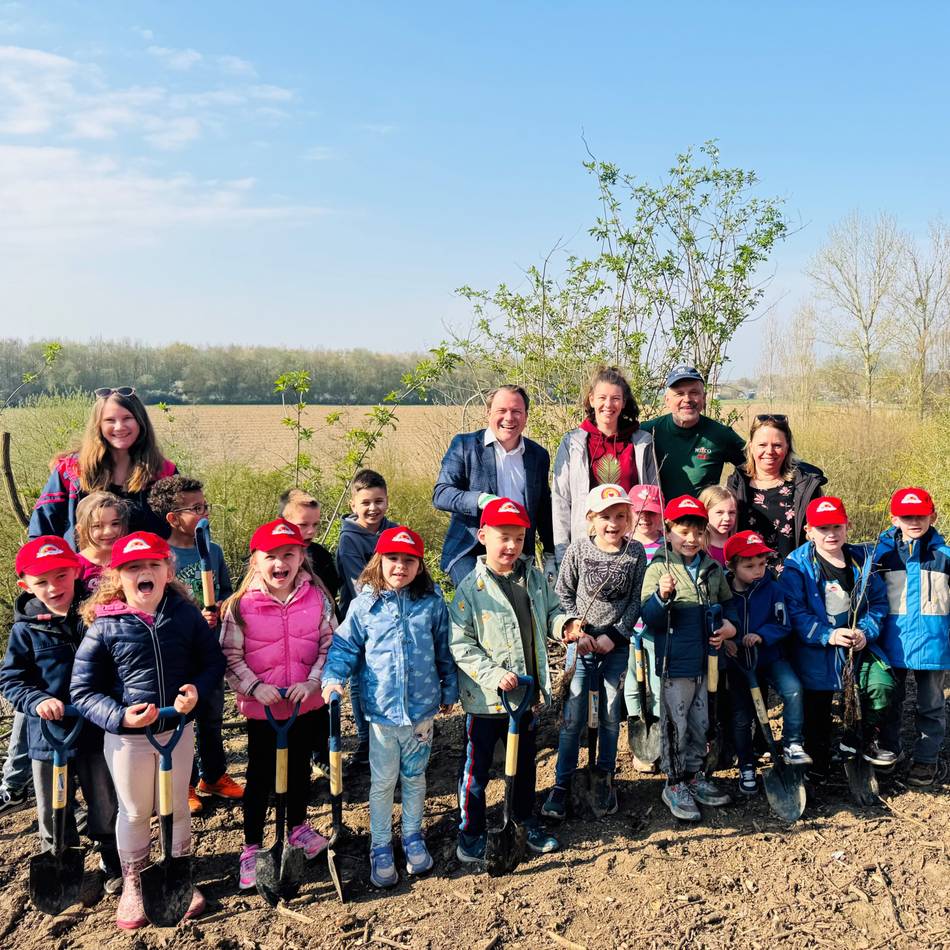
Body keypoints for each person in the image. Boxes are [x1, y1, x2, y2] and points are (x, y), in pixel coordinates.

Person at [70, 531, 225, 930]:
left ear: (168, 570)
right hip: (128, 740)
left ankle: (178, 875)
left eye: (154, 565)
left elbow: (212, 663)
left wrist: (195, 690)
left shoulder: (184, 615)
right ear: (117, 576)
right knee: (136, 811)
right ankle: (134, 884)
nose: (145, 572)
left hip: (177, 731)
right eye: (134, 567)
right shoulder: (104, 626)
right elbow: (83, 690)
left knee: (174, 808)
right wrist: (120, 716)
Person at [322, 526, 458, 887]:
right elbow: (345, 647)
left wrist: (449, 688)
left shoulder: (431, 602)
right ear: (378, 561)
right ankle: (380, 844)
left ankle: (413, 835)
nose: (400, 567)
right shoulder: (364, 605)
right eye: (393, 559)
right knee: (382, 782)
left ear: (420, 565)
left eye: (409, 560)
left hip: (421, 713)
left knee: (415, 777)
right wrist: (332, 678)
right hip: (382, 714)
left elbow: (444, 649)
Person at [450, 498, 570, 862]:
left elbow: (552, 611)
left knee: (525, 762)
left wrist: (565, 625)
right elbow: (461, 643)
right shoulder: (471, 589)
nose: (511, 547)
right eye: (503, 537)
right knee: (477, 768)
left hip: (524, 696)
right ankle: (469, 832)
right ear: (483, 536)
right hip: (486, 701)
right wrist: (494, 675)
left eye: (518, 539)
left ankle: (522, 820)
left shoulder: (533, 578)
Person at [220, 518, 334, 893]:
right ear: (255, 561)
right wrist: (254, 687)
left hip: (305, 703)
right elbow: (230, 656)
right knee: (259, 778)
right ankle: (252, 846)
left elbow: (329, 645)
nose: (280, 563)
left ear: (302, 556)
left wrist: (313, 681)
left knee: (300, 770)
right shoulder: (240, 606)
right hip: (264, 710)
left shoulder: (317, 597)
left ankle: (298, 827)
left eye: (289, 554)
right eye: (271, 556)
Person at [0, 537, 121, 891]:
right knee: (54, 805)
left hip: (95, 727)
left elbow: (116, 663)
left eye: (61, 576)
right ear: (26, 586)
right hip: (48, 733)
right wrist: (36, 699)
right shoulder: (25, 629)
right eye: (42, 581)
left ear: (76, 572)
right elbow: (12, 678)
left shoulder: (97, 614)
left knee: (103, 797)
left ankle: (110, 856)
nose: (54, 587)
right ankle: (59, 858)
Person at [541, 485, 647, 820]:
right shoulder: (578, 550)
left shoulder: (636, 553)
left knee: (611, 712)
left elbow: (636, 601)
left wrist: (615, 635)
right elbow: (563, 594)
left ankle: (604, 775)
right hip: (582, 646)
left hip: (614, 647)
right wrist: (577, 630)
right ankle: (563, 781)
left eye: (620, 516)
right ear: (591, 519)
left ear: (629, 518)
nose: (613, 523)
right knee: (574, 713)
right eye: (605, 517)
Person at [780, 497, 895, 782]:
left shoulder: (862, 561)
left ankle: (862, 739)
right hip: (816, 650)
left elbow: (878, 603)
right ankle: (818, 765)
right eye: (822, 528)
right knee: (816, 710)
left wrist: (864, 632)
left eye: (837, 526)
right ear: (808, 530)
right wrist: (826, 634)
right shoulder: (797, 566)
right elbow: (795, 610)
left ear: (848, 526)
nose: (830, 534)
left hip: (856, 646)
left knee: (880, 685)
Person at [640, 495, 738, 822]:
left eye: (698, 532)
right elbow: (650, 617)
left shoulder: (712, 569)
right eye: (683, 531)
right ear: (668, 532)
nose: (691, 539)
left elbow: (730, 606)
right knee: (675, 724)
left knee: (702, 722)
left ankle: (696, 775)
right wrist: (661, 597)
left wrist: (728, 626)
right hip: (675, 664)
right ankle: (675, 781)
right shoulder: (658, 568)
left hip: (707, 663)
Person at [148, 475, 242, 815]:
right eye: (196, 508)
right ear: (173, 517)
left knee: (212, 717)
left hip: (210, 651)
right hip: (177, 653)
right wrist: (191, 617)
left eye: (206, 506)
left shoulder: (212, 551)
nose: (205, 513)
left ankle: (213, 775)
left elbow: (229, 592)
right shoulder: (161, 556)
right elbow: (154, 604)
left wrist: (222, 607)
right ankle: (184, 782)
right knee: (182, 720)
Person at [434, 385, 555, 585]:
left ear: (525, 416)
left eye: (516, 411)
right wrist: (482, 499)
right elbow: (442, 494)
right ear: (488, 413)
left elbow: (543, 507)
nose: (509, 418)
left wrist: (551, 553)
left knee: (524, 610)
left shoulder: (538, 455)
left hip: (516, 549)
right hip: (470, 549)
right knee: (483, 601)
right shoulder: (465, 445)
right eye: (502, 411)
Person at [722, 531, 812, 797]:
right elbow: (716, 620)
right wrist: (731, 640)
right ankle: (747, 765)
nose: (758, 571)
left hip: (770, 656)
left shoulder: (774, 589)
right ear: (732, 566)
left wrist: (762, 635)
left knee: (793, 688)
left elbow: (783, 623)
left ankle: (792, 743)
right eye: (749, 566)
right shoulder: (724, 592)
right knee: (741, 717)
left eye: (762, 564)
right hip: (739, 663)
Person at [29, 386, 177, 547]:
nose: (119, 426)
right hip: (83, 571)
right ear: (98, 425)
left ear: (140, 421)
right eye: (110, 420)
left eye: (127, 418)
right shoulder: (71, 471)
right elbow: (42, 532)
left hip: (147, 569)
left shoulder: (164, 472)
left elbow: (185, 529)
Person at [876, 488, 950, 787]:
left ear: (932, 515)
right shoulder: (882, 556)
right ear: (894, 519)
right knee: (890, 703)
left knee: (931, 704)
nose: (914, 521)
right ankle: (890, 751)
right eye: (907, 516)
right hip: (893, 642)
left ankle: (927, 759)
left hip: (934, 643)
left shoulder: (944, 557)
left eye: (920, 515)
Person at [552, 366, 658, 568]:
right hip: (588, 544)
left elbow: (653, 497)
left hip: (632, 545)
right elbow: (561, 501)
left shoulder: (642, 443)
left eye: (615, 398)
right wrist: (562, 555)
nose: (608, 404)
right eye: (602, 397)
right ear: (591, 399)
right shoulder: (573, 443)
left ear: (624, 402)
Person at [337, 468, 395, 769]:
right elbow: (358, 585)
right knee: (360, 679)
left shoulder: (394, 531)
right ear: (353, 505)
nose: (373, 508)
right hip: (361, 619)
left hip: (396, 618)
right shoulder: (349, 540)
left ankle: (388, 731)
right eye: (366, 503)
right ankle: (364, 740)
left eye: (379, 501)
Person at [726, 414, 826, 563]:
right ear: (751, 447)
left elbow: (825, 532)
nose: (769, 451)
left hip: (794, 578)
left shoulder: (806, 487)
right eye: (762, 445)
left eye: (777, 445)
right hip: (747, 582)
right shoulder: (736, 486)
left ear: (787, 448)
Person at [640, 366, 745, 501]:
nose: (687, 399)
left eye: (694, 392)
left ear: (704, 398)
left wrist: (731, 497)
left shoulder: (720, 435)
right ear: (667, 400)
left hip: (704, 520)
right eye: (679, 393)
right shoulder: (647, 432)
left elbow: (756, 465)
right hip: (659, 519)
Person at [622, 484, 666, 772]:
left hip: (658, 628)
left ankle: (659, 735)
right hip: (629, 628)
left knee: (658, 684)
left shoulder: (668, 547)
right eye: (639, 513)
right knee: (632, 683)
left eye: (651, 513)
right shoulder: (623, 547)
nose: (645, 519)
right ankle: (639, 734)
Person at [279, 488, 342, 615]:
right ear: (282, 522)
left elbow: (331, 596)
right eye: (303, 525)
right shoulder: (265, 558)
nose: (311, 531)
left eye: (315, 524)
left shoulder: (322, 557)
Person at [75, 491, 132, 591]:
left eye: (115, 524)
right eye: (97, 526)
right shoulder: (75, 566)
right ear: (81, 530)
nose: (108, 532)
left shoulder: (132, 559)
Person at [699, 485, 737, 567]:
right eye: (719, 512)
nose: (727, 518)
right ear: (705, 512)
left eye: (731, 512)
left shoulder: (739, 545)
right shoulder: (698, 547)